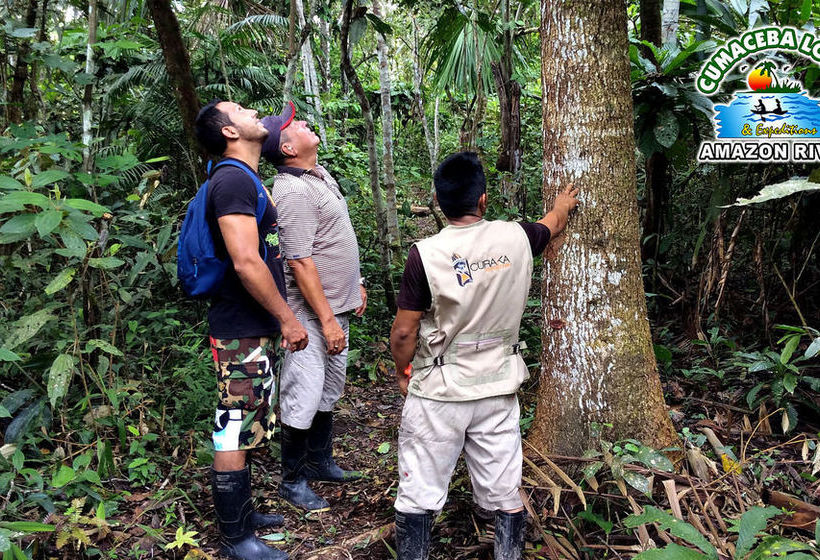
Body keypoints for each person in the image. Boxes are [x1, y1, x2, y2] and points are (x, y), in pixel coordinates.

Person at [389, 152, 579, 560]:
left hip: (440, 391)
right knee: (503, 489)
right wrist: (563, 205)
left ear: (438, 203)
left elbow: (404, 329)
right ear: (483, 200)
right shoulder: (517, 237)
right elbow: (553, 224)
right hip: (497, 384)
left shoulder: (426, 253)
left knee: (420, 488)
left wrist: (404, 370)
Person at [194, 100, 309, 560]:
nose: (251, 111)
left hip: (250, 324)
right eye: (239, 109)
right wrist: (287, 317)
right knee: (234, 424)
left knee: (247, 421)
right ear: (228, 131)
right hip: (240, 324)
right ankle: (235, 538)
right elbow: (245, 261)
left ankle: (242, 515)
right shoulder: (232, 180)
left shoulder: (243, 176)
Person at [260, 103, 366, 512]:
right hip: (311, 314)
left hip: (336, 308)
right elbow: (300, 261)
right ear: (287, 147)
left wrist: (356, 283)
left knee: (328, 389)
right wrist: (325, 320)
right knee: (302, 393)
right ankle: (292, 480)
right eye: (293, 124)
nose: (302, 122)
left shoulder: (318, 175)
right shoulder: (292, 192)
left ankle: (320, 461)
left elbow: (334, 238)